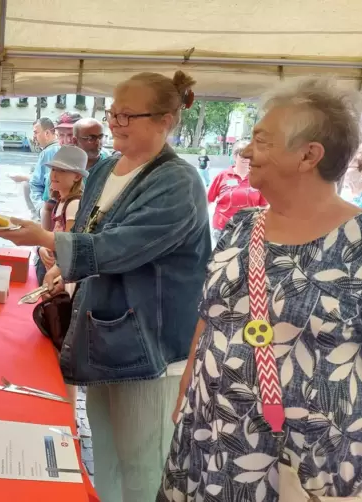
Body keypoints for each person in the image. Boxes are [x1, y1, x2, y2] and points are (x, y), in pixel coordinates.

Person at [0, 71, 210, 501]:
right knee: (107, 461)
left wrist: (46, 240)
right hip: (104, 335)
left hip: (152, 349)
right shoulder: (109, 168)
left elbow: (122, 247)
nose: (115, 123)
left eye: (128, 115)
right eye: (113, 112)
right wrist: (65, 266)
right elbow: (92, 230)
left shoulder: (178, 182)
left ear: (167, 119)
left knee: (145, 468)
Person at [160, 78, 362, 501]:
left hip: (302, 461)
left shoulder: (356, 242)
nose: (246, 151)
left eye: (261, 140)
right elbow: (212, 310)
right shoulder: (242, 224)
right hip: (208, 435)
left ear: (309, 155)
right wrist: (191, 378)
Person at [207, 139, 268, 243]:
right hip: (222, 228)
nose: (247, 159)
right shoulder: (222, 176)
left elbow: (264, 205)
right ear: (235, 156)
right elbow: (207, 200)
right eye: (243, 155)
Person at [37, 145, 86, 272]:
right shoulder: (60, 201)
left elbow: (67, 244)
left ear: (77, 177)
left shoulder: (73, 204)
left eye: (62, 170)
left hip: (61, 270)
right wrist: (43, 248)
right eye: (53, 169)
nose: (54, 175)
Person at [27, 117, 60, 221]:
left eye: (36, 132)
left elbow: (36, 184)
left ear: (47, 133)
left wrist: (41, 209)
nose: (34, 137)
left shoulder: (48, 152)